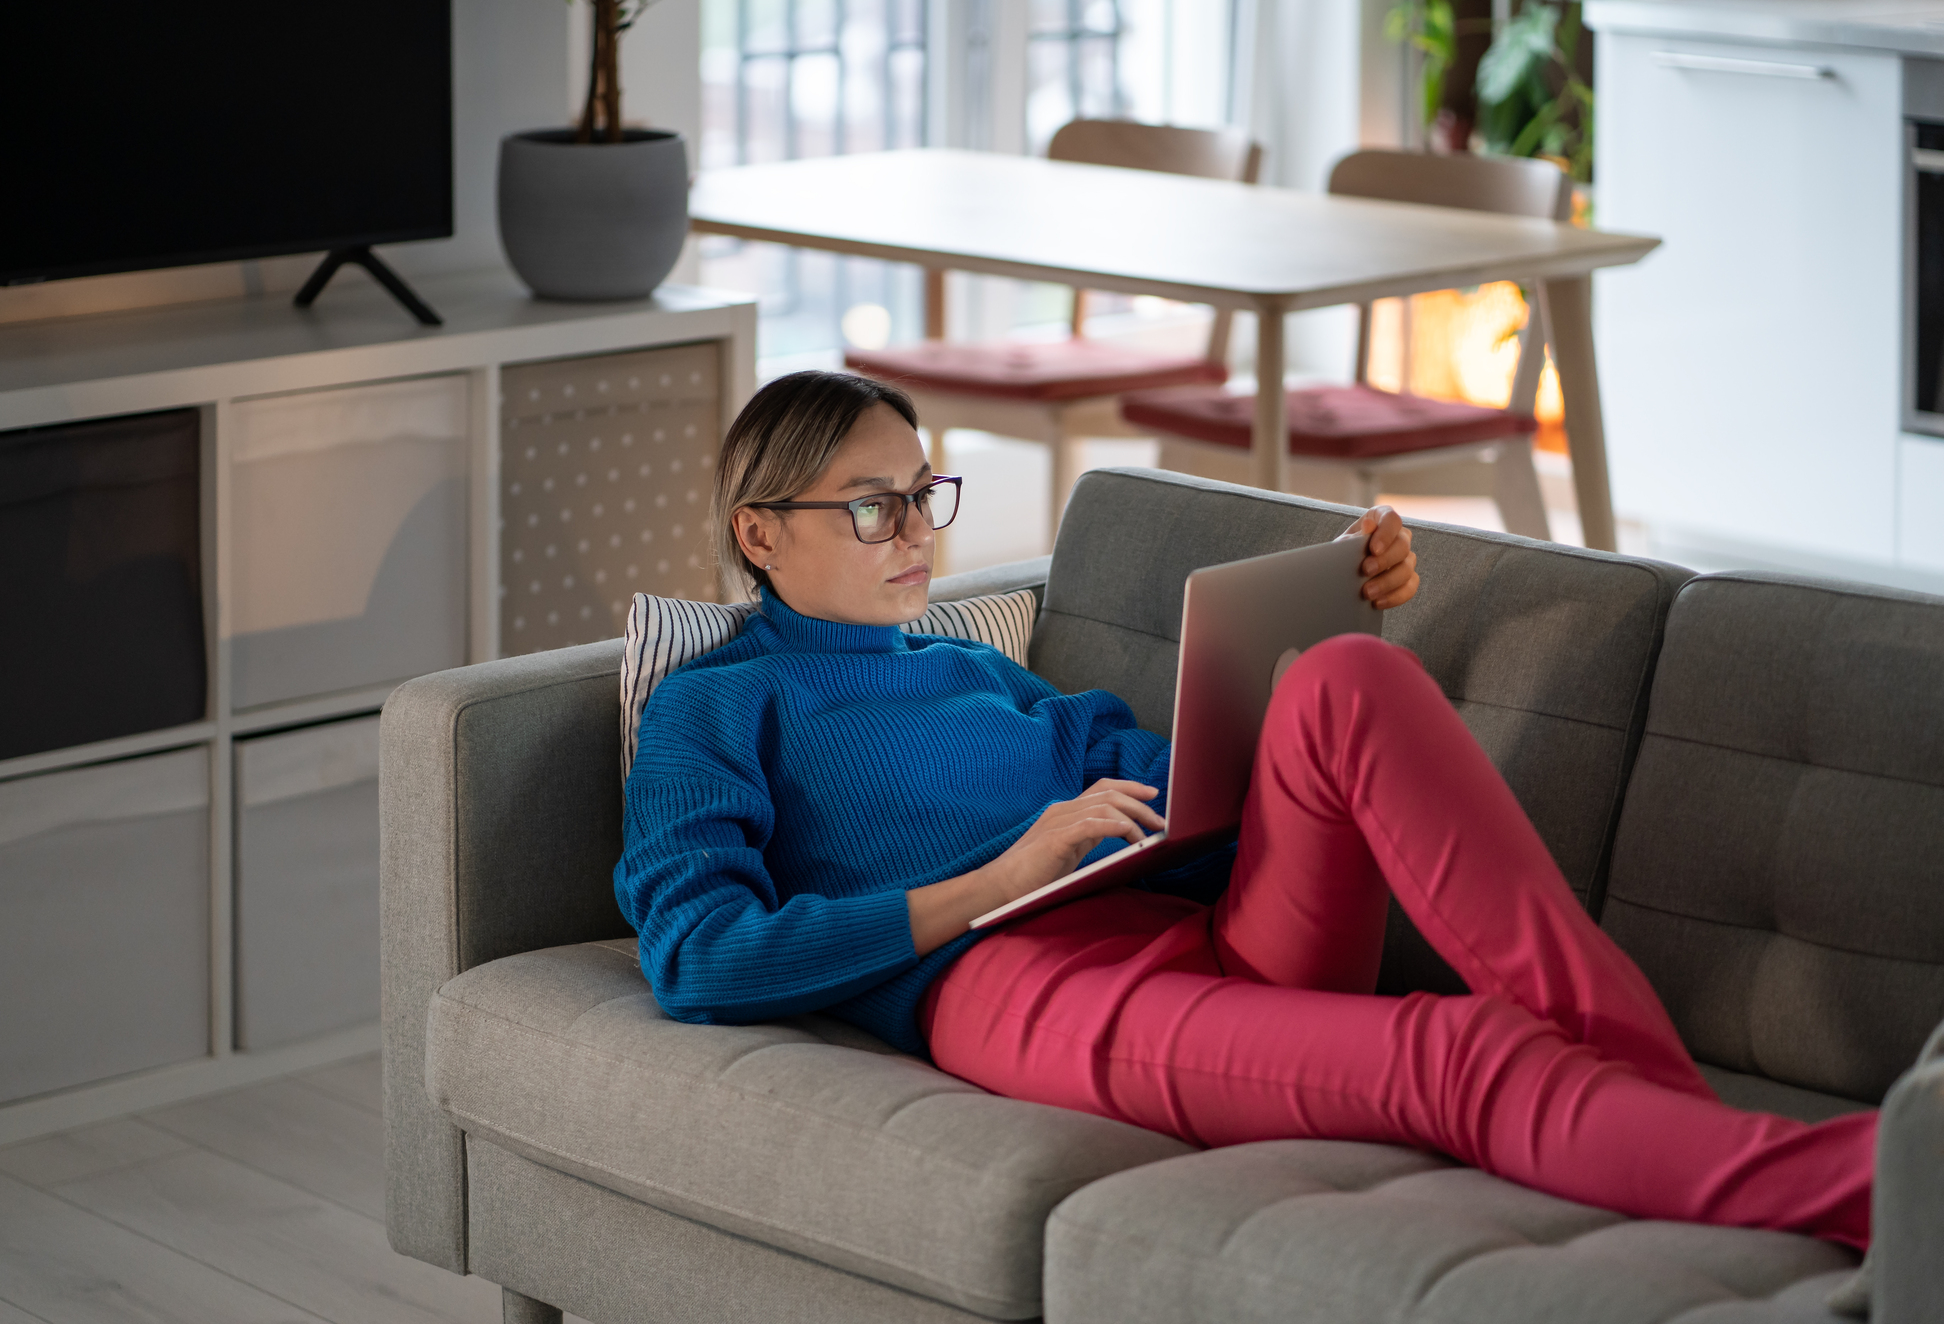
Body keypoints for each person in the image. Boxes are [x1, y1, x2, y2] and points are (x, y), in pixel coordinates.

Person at [615, 370, 1873, 1250]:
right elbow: (694, 956)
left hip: (1200, 931)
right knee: (1455, 1051)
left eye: (920, 493)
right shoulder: (715, 710)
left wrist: (1337, 602)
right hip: (1016, 987)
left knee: (1345, 679)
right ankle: (1873, 1183)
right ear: (759, 533)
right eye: (871, 505)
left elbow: (1200, 792)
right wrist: (1004, 873)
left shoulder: (975, 670)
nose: (913, 533)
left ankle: (1671, 1118)